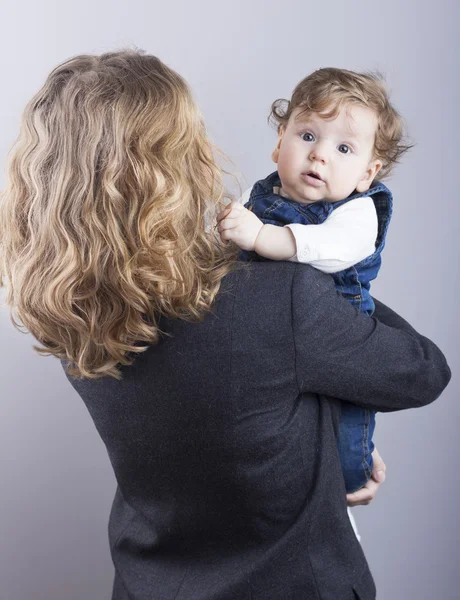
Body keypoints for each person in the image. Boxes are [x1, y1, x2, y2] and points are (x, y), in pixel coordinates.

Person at [0, 50, 450, 600]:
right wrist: (325, 282)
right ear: (175, 160)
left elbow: (209, 423)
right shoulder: (281, 295)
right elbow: (423, 370)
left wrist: (323, 440)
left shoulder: (71, 311)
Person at [217, 68, 411, 494]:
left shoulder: (359, 213)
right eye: (307, 136)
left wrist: (263, 237)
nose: (320, 155)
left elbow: (332, 247)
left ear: (366, 173)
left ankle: (351, 483)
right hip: (271, 340)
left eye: (343, 148)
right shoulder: (260, 192)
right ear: (279, 141)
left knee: (345, 436)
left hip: (340, 338)